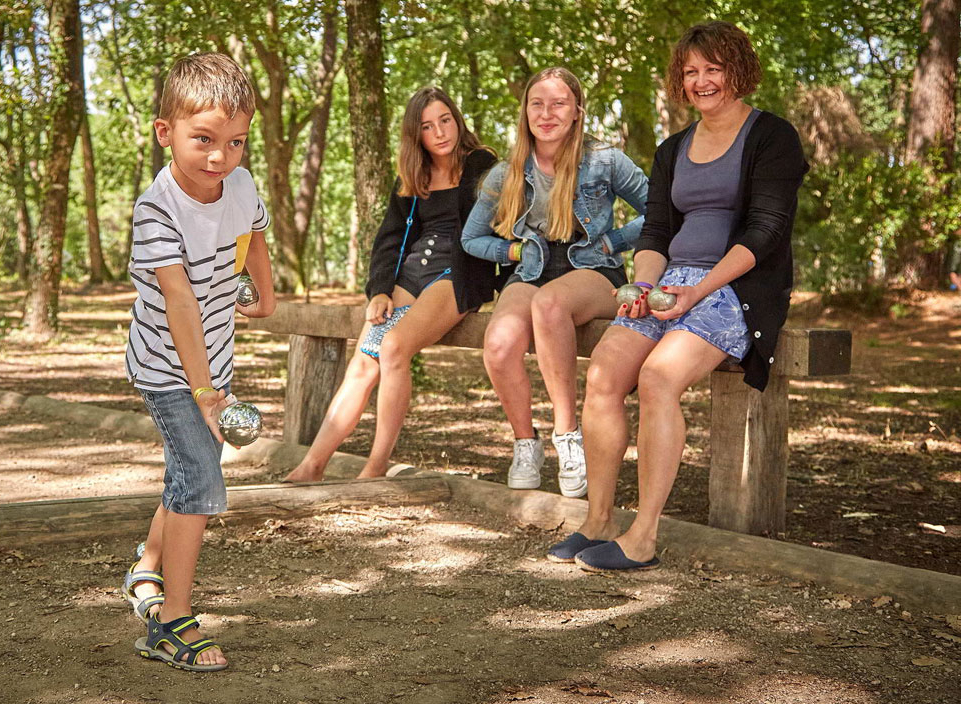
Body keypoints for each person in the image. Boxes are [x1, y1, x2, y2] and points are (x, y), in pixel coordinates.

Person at [552, 21, 809, 570]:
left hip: (734, 287)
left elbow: (766, 232)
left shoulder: (772, 136)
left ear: (738, 70)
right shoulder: (674, 148)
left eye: (713, 68)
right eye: (691, 72)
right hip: (668, 284)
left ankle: (643, 537)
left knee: (657, 377)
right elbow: (655, 233)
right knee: (603, 373)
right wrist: (644, 286)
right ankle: (599, 520)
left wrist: (697, 291)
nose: (701, 81)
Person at [120, 52, 276, 671]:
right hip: (168, 368)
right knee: (203, 482)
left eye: (235, 142)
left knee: (189, 472)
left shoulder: (239, 183)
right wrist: (205, 392)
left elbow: (253, 231)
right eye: (204, 140)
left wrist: (264, 293)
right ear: (166, 132)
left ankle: (147, 567)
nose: (220, 157)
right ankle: (170, 624)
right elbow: (179, 300)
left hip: (215, 359)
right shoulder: (156, 209)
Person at [282, 87, 498, 482]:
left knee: (394, 346)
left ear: (457, 120)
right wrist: (380, 290)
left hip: (459, 273)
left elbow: (503, 221)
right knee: (364, 361)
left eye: (445, 120)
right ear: (416, 134)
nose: (440, 132)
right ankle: (312, 465)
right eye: (428, 126)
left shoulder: (482, 164)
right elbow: (390, 238)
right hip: (412, 273)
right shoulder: (413, 175)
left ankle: (376, 466)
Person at [460, 67, 648, 496]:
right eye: (537, 104)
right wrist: (512, 252)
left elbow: (660, 209)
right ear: (525, 111)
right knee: (499, 343)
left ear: (577, 110)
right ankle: (526, 443)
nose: (546, 114)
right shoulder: (506, 171)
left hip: (592, 268)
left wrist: (614, 242)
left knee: (549, 305)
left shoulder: (605, 160)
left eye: (558, 104)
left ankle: (567, 436)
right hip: (531, 267)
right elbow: (471, 238)